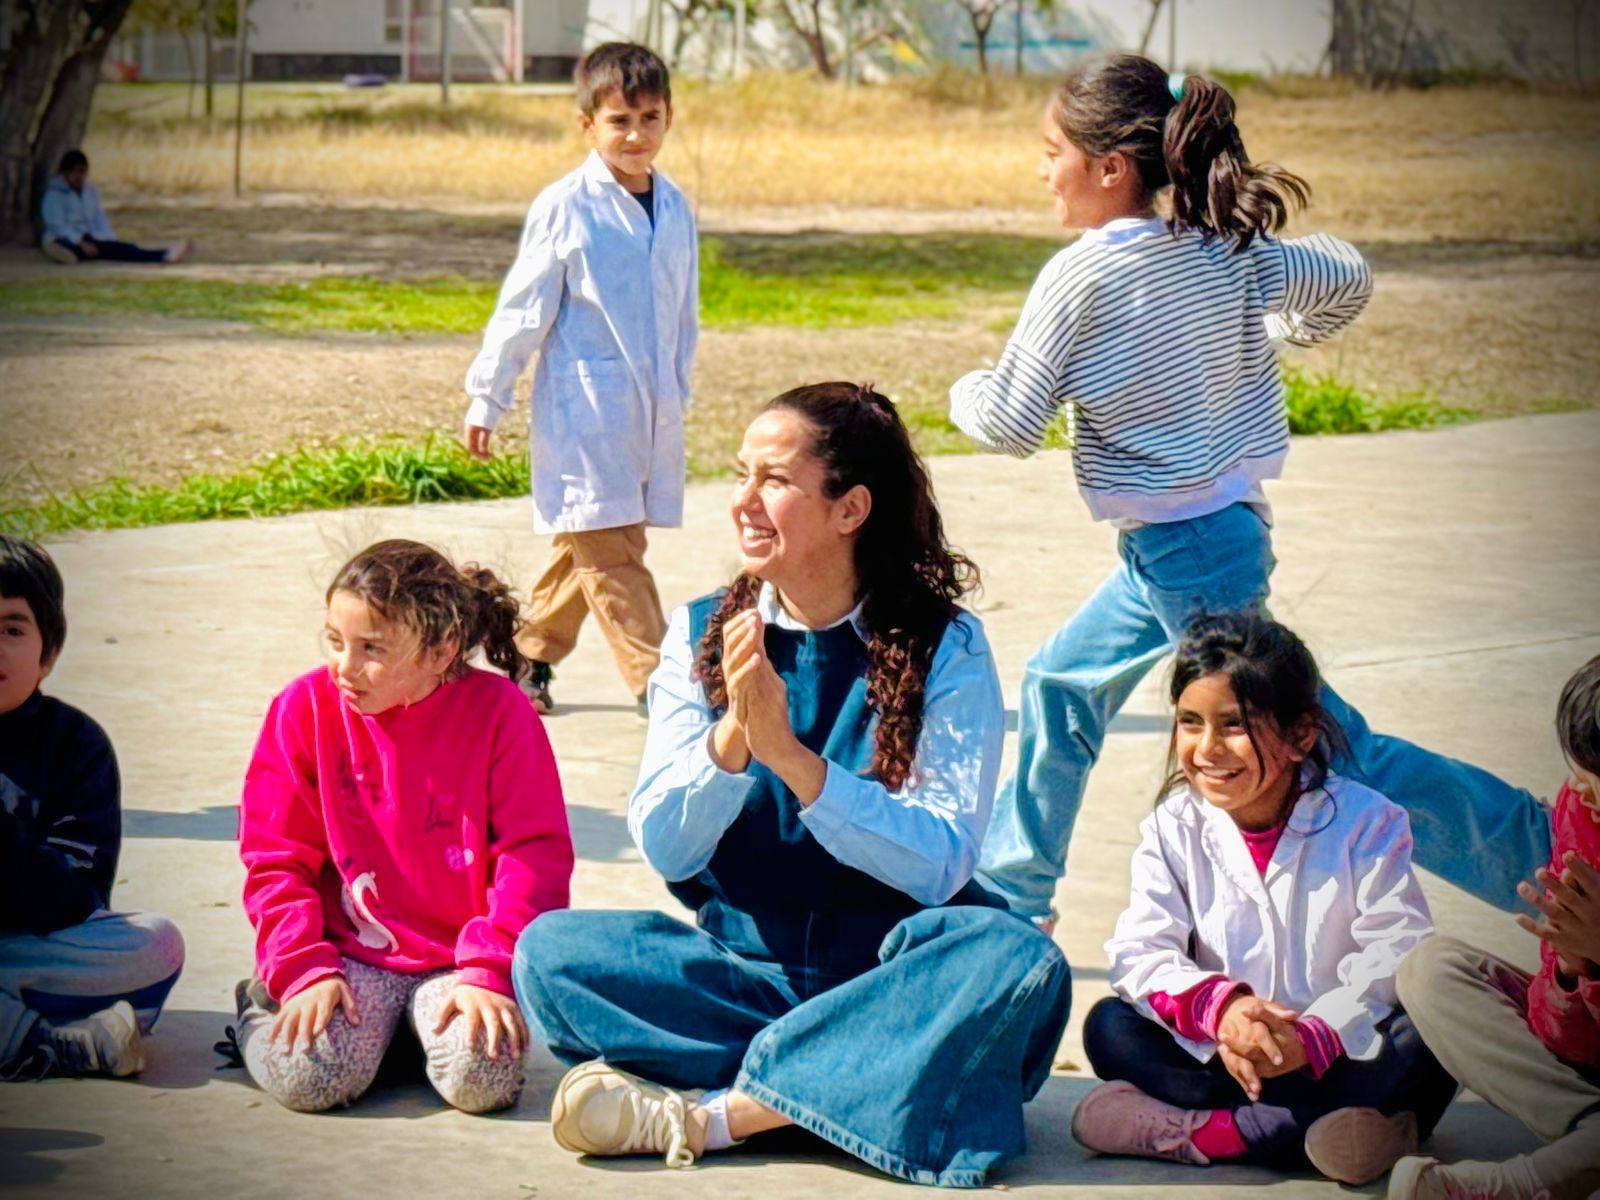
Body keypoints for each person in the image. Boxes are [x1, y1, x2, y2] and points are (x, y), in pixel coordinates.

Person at [947, 52, 1551, 924]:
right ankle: (1012, 890)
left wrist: (964, 389)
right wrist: (1274, 325)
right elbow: (1346, 275)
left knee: (1330, 745)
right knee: (1060, 683)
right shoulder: (1221, 249)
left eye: (1052, 152)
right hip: (1199, 537)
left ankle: (1540, 856)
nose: (1042, 170)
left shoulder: (1078, 276)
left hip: (1187, 553)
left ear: (1110, 169)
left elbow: (1007, 422)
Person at [513, 383, 1071, 1187]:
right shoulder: (700, 632)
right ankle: (865, 1077)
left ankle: (720, 1116)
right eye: (741, 475)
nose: (743, 501)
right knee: (549, 956)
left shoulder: (946, 645)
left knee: (1015, 961)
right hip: (747, 973)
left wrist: (799, 766)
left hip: (894, 972)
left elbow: (941, 863)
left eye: (774, 481)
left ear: (850, 510)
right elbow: (666, 845)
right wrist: (737, 740)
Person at [1074, 612, 1457, 1185]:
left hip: (1335, 1056)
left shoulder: (1368, 822)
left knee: (1433, 1035)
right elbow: (1141, 951)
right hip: (1228, 1059)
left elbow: (1395, 950)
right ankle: (1343, 1135)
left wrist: (1310, 1037)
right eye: (1189, 722)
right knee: (1109, 1027)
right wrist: (1224, 1013)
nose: (1207, 748)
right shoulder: (1171, 828)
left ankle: (1209, 1134)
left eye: (1233, 725)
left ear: (1301, 735)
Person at [231, 540, 573, 1113]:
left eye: (372, 649)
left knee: (482, 1080)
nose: (345, 666)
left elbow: (532, 855)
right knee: (309, 1077)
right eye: (336, 642)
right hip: (350, 958)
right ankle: (256, 1011)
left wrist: (489, 969)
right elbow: (274, 858)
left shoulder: (502, 713)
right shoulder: (302, 709)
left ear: (441, 650)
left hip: (459, 960)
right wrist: (301, 968)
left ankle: (403, 1037)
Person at [463, 42, 697, 718]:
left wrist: (678, 388)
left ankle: (527, 653)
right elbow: (524, 307)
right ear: (587, 124)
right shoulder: (567, 206)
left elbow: (684, 311)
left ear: (669, 118)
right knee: (612, 555)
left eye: (649, 118)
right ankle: (665, 687)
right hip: (585, 413)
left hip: (648, 413)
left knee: (605, 542)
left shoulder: (675, 206)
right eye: (619, 120)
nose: (635, 135)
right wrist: (489, 393)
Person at [1388, 655, 1600, 1200]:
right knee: (1430, 971)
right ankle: (1588, 1139)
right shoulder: (1582, 812)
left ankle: (1526, 1182)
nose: (1589, 803)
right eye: (1583, 783)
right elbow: (1569, 1041)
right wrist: (1577, 969)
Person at [0, 535, 185, 1081]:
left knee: (156, 945)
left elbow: (80, 894)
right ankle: (59, 1042)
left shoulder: (76, 744)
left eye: (11, 630)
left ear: (49, 652)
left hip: (31, 950)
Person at [39, 150, 190, 265]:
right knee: (67, 246)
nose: (79, 177)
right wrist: (79, 242)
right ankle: (65, 252)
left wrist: (107, 238)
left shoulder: (90, 191)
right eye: (75, 172)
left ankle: (164, 254)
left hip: (89, 236)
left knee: (123, 250)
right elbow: (57, 225)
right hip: (66, 237)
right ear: (66, 172)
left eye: (83, 172)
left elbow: (98, 216)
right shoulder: (55, 195)